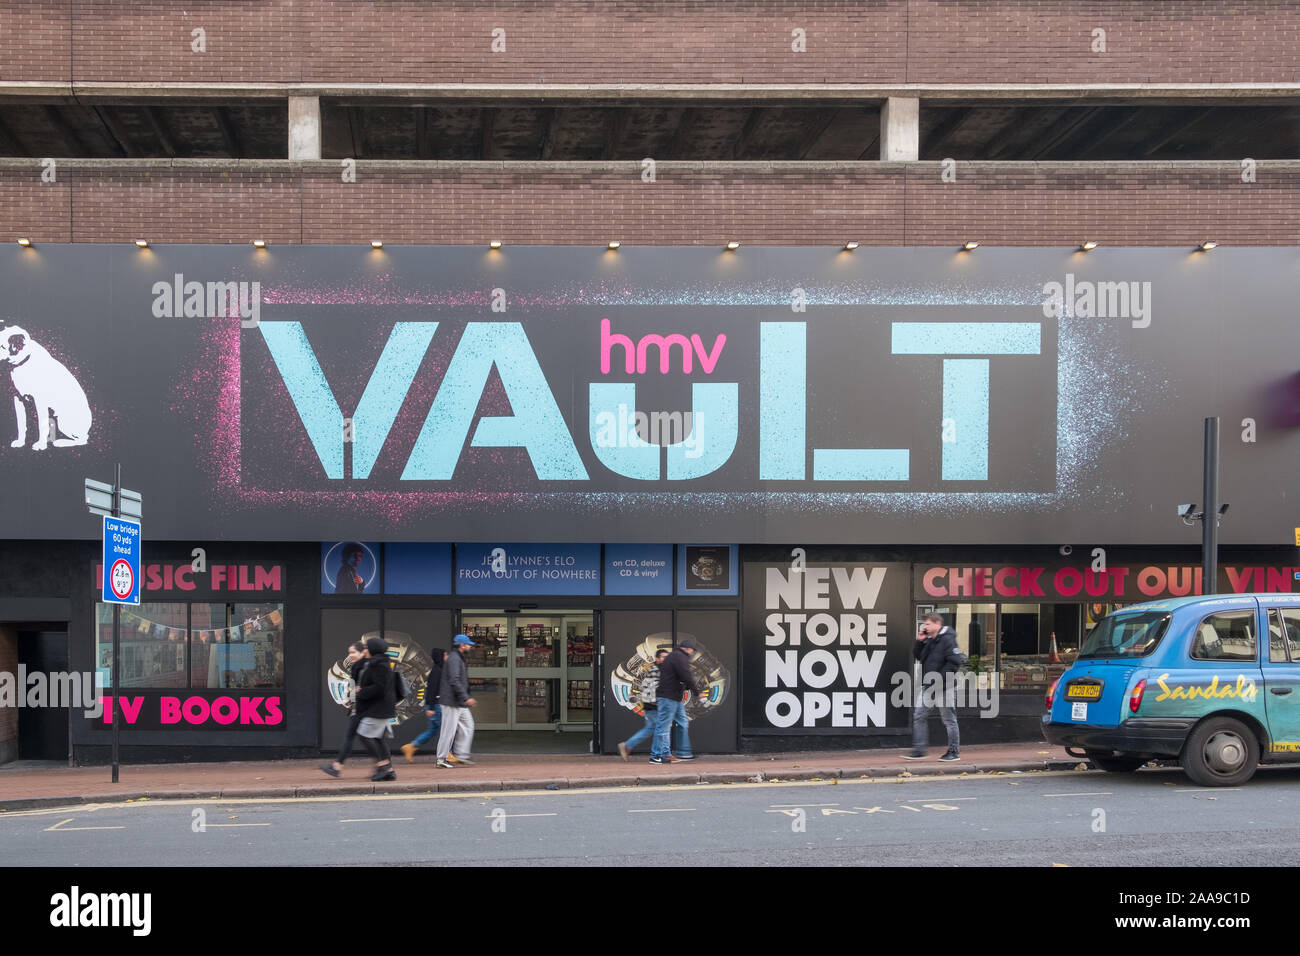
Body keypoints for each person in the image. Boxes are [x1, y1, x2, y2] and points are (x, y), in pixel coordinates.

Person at [905, 613, 965, 761]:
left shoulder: (948, 639)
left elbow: (954, 662)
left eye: (928, 624)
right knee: (919, 716)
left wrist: (937, 679)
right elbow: (919, 656)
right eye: (925, 624)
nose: (925, 626)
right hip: (928, 687)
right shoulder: (931, 640)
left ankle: (953, 752)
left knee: (949, 720)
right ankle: (919, 750)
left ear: (937, 623)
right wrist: (920, 641)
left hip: (945, 687)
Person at [650, 638, 703, 765]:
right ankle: (656, 755)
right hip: (669, 696)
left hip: (674, 697)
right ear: (688, 649)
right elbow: (686, 676)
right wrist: (697, 692)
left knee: (683, 722)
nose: (692, 653)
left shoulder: (675, 656)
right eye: (691, 650)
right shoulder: (680, 657)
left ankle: (683, 752)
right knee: (663, 726)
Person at [354, 636, 398, 781]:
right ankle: (389, 770)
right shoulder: (379, 663)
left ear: (373, 649)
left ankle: (383, 765)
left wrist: (362, 691)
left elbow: (380, 687)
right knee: (378, 738)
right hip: (380, 707)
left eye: (366, 647)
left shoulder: (379, 665)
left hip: (378, 708)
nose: (364, 650)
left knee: (364, 735)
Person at [320, 641, 366, 777]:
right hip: (358, 708)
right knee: (368, 738)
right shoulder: (357, 667)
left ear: (362, 652)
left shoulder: (365, 666)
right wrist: (351, 702)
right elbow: (353, 687)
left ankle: (385, 765)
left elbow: (366, 687)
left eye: (353, 652)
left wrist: (358, 692)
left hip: (364, 708)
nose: (350, 655)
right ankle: (384, 765)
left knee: (370, 739)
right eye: (349, 652)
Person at [618, 647, 669, 761]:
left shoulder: (659, 669)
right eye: (664, 657)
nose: (666, 659)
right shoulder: (656, 670)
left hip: (650, 704)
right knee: (659, 729)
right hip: (653, 704)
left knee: (650, 728)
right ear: (657, 658)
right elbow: (655, 688)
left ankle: (627, 745)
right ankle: (656, 756)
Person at [436, 634, 477, 769]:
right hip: (451, 701)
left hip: (458, 701)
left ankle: (461, 754)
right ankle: (441, 759)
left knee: (468, 725)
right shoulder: (454, 658)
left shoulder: (458, 657)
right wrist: (466, 698)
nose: (470, 646)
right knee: (448, 731)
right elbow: (454, 680)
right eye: (468, 644)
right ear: (461, 645)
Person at [400, 648, 445, 763]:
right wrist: (430, 707)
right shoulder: (438, 671)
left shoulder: (437, 670)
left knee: (433, 730)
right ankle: (448, 753)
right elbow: (431, 690)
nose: (447, 657)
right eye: (445, 655)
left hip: (434, 705)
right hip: (436, 706)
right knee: (445, 730)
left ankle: (410, 747)